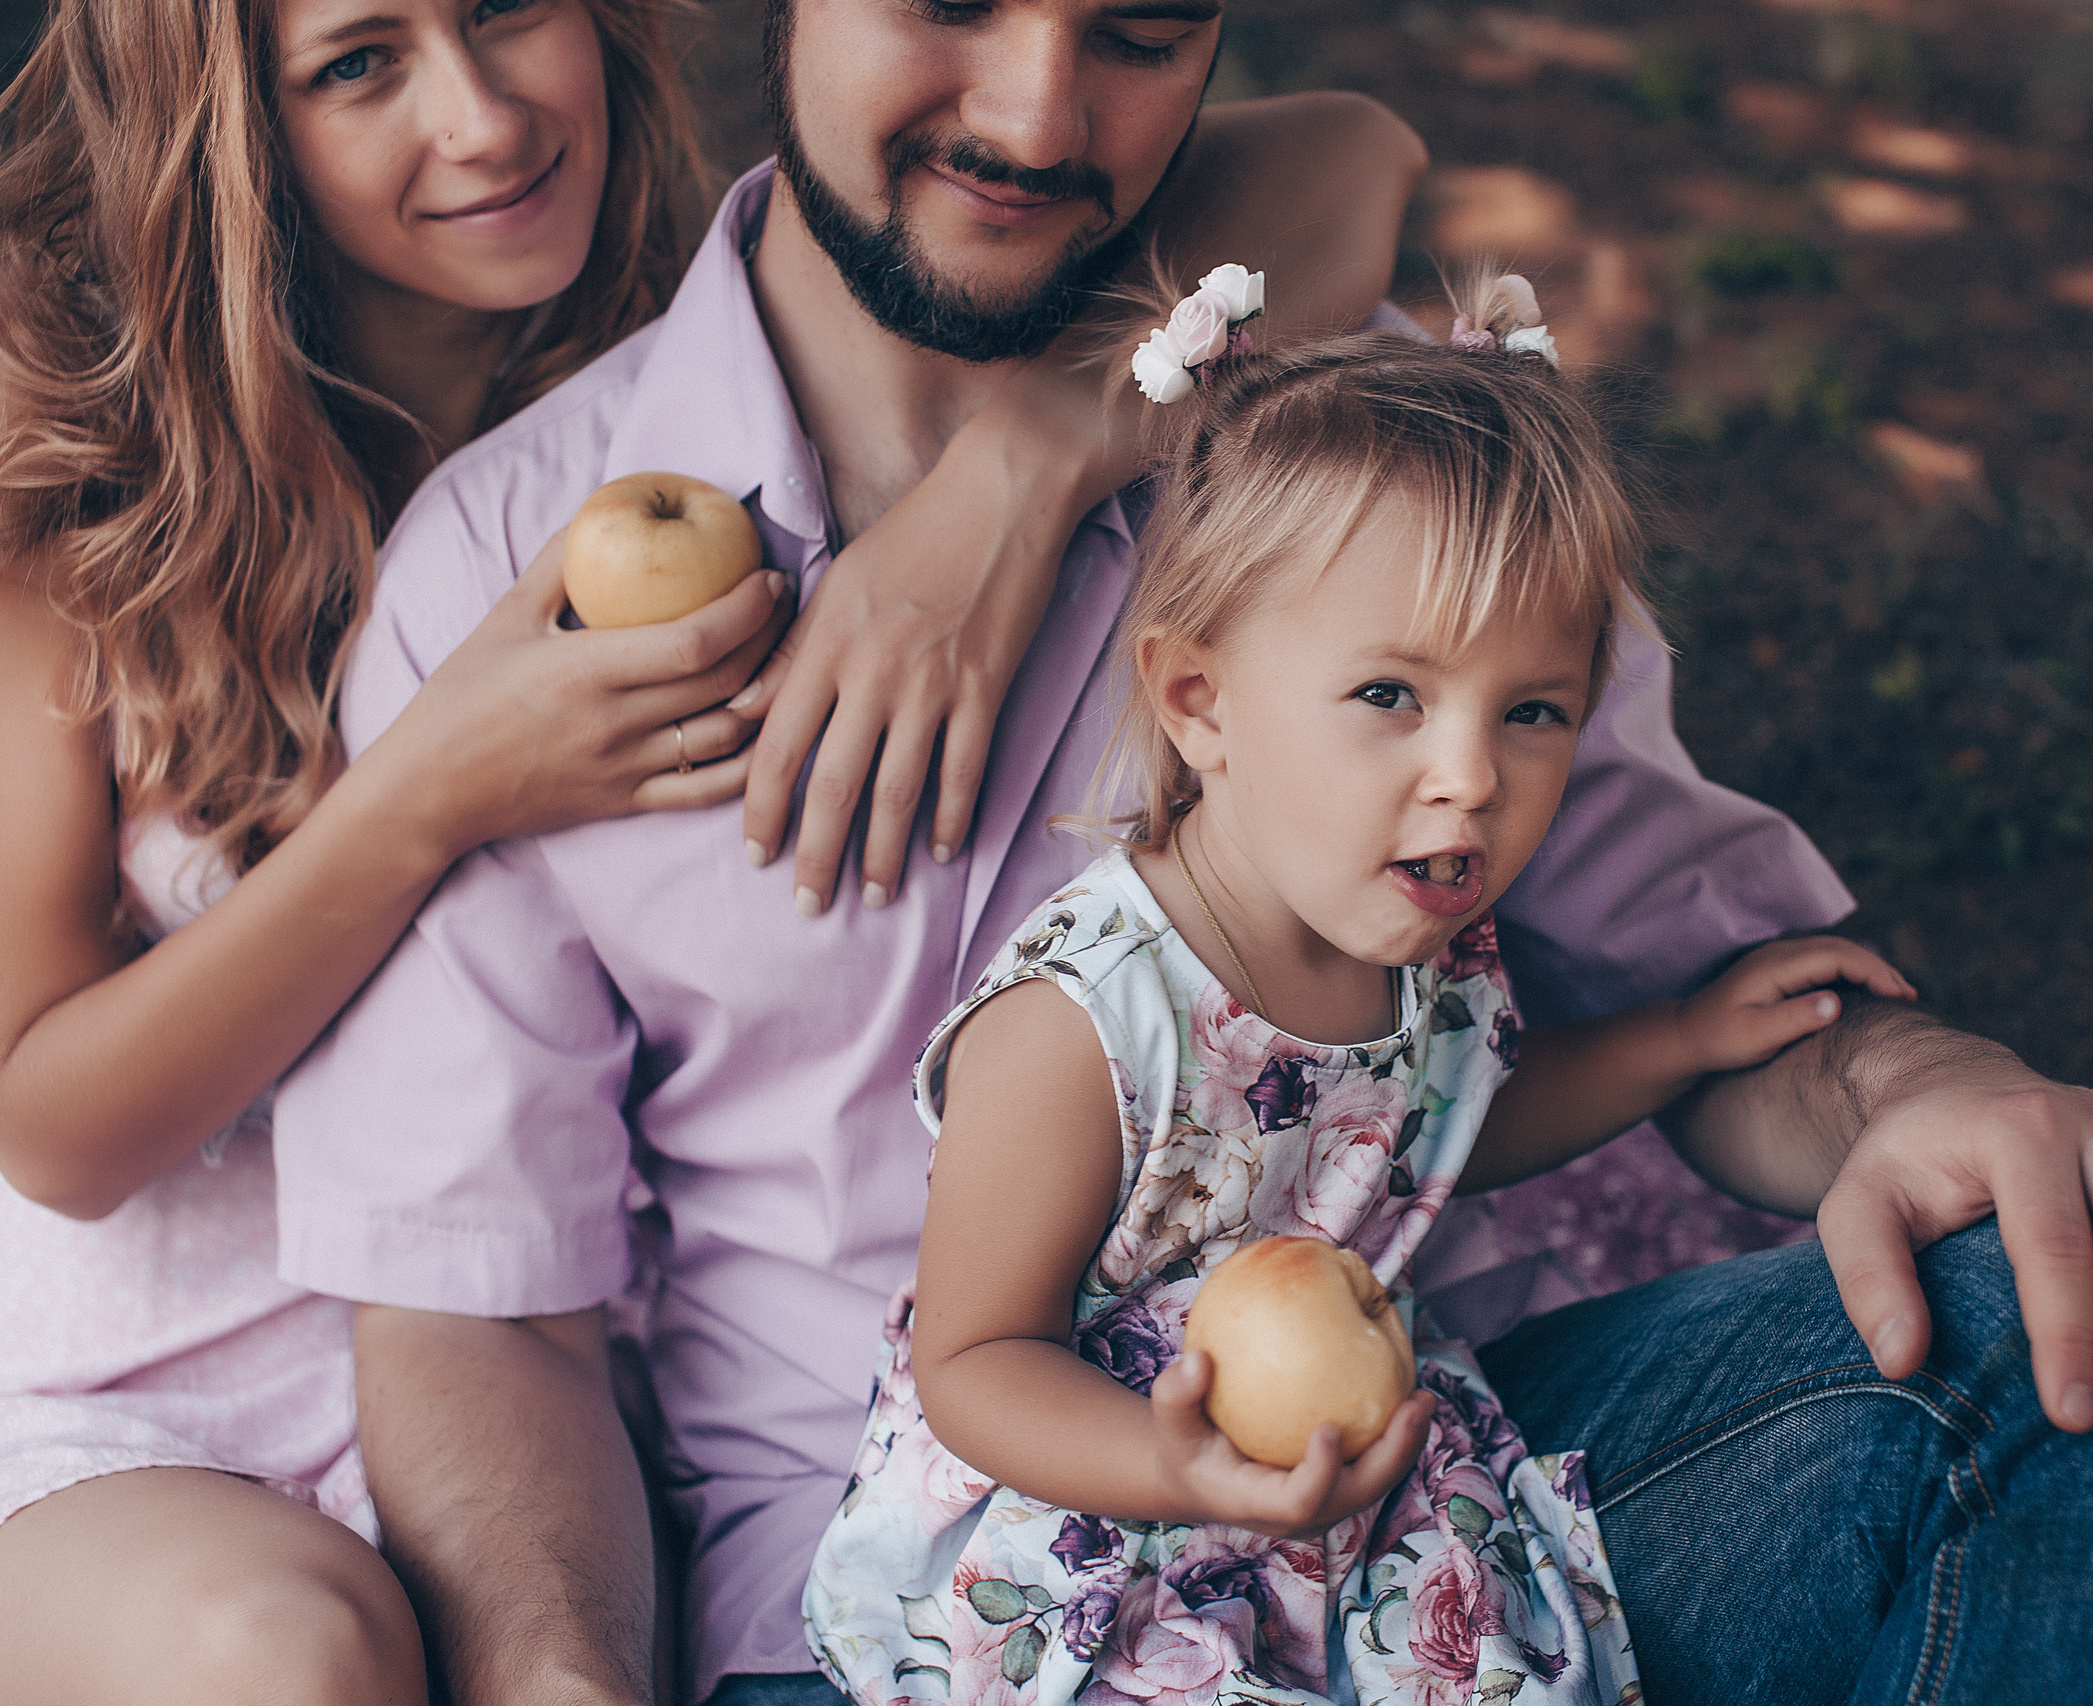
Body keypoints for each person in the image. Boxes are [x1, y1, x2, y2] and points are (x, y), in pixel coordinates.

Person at [272, 2, 2093, 1702]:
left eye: (1138, 31)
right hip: (922, 1609)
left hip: (1438, 1493)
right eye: (948, 5)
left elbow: (1705, 1001)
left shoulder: (1383, 470)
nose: (1033, 113)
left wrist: (1928, 1086)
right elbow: (480, 1306)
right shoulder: (508, 577)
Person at [0, 0, 1426, 1697]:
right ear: (234, 140)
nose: (481, 118)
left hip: (540, 1355)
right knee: (299, 1655)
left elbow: (1354, 157)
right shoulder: (105, 518)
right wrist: (429, 787)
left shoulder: (702, 357)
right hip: (185, 1384)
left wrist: (1031, 462)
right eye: (358, 64)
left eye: (506, 12)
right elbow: (55, 1130)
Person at [800, 274, 1920, 1704]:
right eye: (1391, 695)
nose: (1472, 775)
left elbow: (1434, 1135)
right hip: (1083, 1513)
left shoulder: (1426, 947)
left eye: (1533, 711)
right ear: (1200, 701)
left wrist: (1679, 1039)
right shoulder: (1085, 1022)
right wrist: (1171, 1461)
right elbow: (974, 1355)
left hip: (1338, 1472)